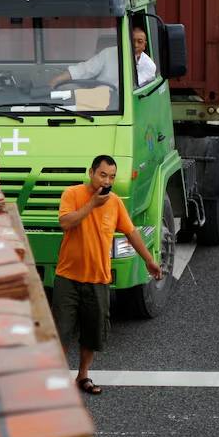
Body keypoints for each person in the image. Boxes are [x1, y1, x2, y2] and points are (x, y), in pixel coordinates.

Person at [52, 155, 162, 395]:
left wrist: (149, 260)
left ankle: (83, 376)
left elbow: (131, 232)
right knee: (61, 331)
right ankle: (58, 381)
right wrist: (92, 204)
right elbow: (65, 222)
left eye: (111, 177)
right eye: (103, 175)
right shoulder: (72, 194)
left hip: (98, 279)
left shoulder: (115, 203)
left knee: (93, 333)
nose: (107, 181)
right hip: (68, 277)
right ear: (91, 173)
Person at [49, 27, 156, 89]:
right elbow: (85, 69)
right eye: (132, 41)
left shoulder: (149, 66)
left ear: (144, 45)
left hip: (121, 103)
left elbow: (130, 87)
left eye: (140, 42)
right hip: (97, 96)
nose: (135, 45)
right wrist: (56, 80)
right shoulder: (108, 53)